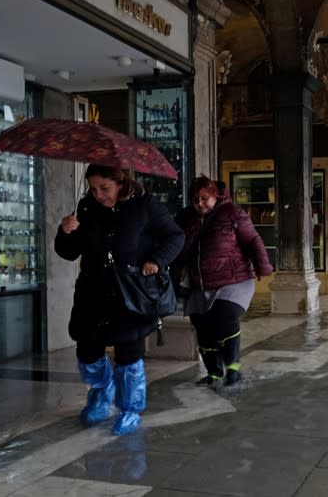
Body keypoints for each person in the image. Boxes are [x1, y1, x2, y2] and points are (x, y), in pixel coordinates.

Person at [55, 164, 184, 435]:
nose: (99, 194)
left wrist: (156, 261)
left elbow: (175, 236)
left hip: (130, 294)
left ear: (121, 182)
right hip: (93, 293)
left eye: (105, 188)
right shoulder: (86, 208)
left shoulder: (144, 205)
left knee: (128, 354)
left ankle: (129, 409)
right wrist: (65, 232)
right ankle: (102, 392)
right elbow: (69, 252)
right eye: (94, 188)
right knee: (87, 349)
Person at [174, 176, 273, 389]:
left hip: (234, 280)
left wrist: (262, 266)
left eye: (204, 199)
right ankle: (214, 373)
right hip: (199, 283)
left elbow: (253, 240)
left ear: (215, 195)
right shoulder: (185, 218)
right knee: (203, 328)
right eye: (195, 199)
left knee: (225, 318)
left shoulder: (232, 214)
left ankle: (233, 369)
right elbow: (173, 243)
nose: (199, 204)